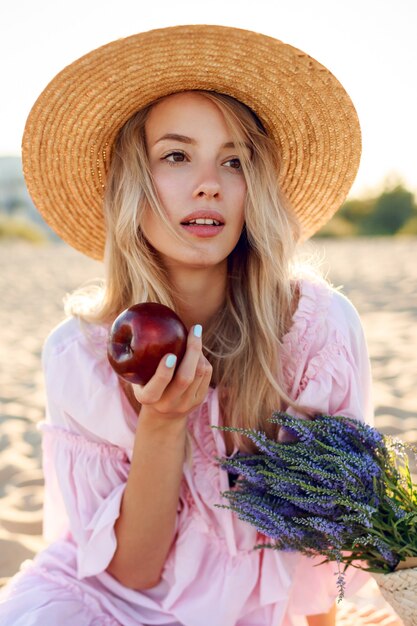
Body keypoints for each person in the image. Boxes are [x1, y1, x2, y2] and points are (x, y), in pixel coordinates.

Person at [0, 24, 400, 626]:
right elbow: (132, 575)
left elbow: (335, 518)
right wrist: (162, 422)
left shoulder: (316, 331)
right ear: (134, 182)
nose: (209, 183)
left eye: (233, 161)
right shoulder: (80, 354)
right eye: (176, 155)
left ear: (252, 187)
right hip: (112, 605)